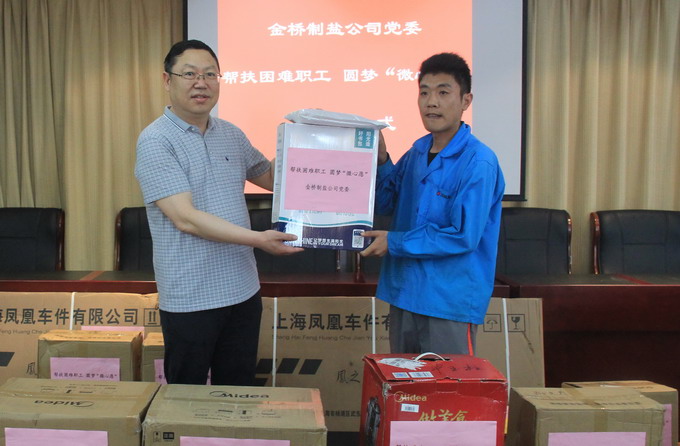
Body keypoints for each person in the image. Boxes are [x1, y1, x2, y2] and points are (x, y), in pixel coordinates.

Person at [134, 40, 302, 385]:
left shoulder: (230, 134)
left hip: (242, 289)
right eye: (190, 74)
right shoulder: (156, 141)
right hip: (191, 295)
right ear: (167, 80)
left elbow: (272, 178)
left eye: (210, 75)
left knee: (238, 390)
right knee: (186, 395)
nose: (202, 83)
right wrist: (258, 239)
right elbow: (185, 218)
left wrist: (304, 142)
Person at [361, 52, 505, 355]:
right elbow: (386, 203)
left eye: (443, 92)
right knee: (404, 380)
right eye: (424, 92)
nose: (431, 102)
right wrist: (382, 160)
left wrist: (394, 242)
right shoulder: (416, 152)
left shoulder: (479, 162)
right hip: (405, 293)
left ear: (466, 100)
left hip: (448, 300)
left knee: (449, 383)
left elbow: (463, 236)